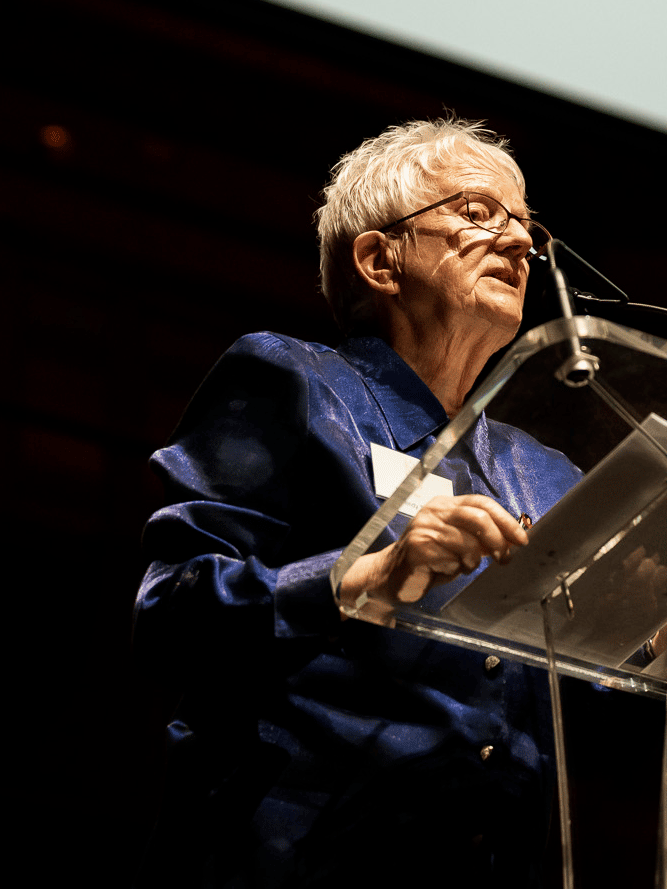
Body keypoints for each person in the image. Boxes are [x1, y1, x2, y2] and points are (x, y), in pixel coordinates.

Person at [134, 117, 579, 887]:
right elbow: (174, 615)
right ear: (379, 259)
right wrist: (366, 575)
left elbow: (590, 687)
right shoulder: (292, 382)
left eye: (524, 223)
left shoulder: (543, 472)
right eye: (479, 213)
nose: (517, 242)